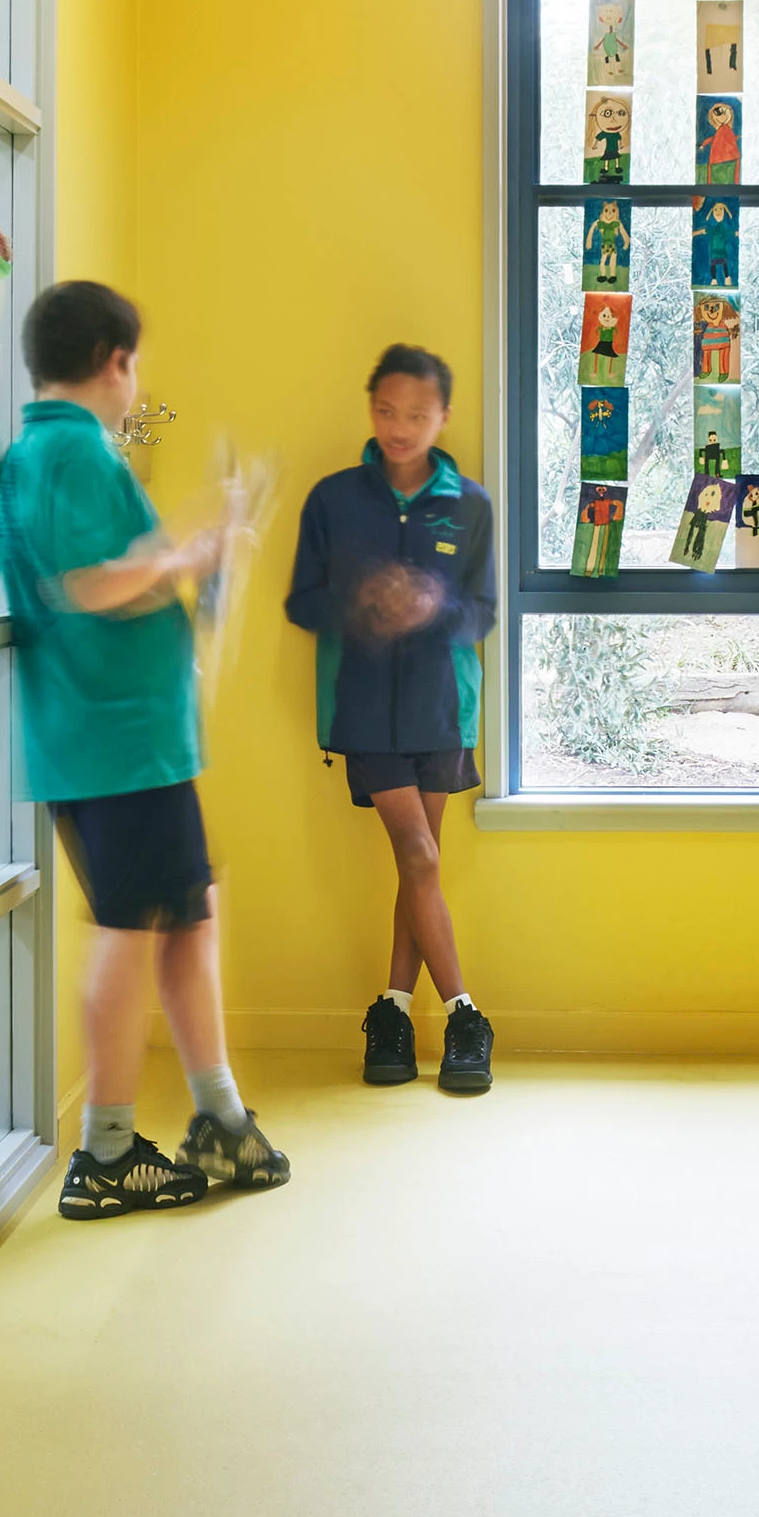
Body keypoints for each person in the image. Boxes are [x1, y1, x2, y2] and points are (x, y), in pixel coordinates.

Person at [0, 279, 291, 1216]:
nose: (137, 380)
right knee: (130, 933)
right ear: (117, 362)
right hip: (120, 743)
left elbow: (118, 576)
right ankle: (108, 1153)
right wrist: (193, 557)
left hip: (110, 740)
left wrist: (197, 556)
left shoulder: (38, 452)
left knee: (187, 914)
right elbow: (88, 582)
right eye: (137, 363)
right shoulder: (75, 452)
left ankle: (222, 1122)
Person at [286, 345, 498, 1095]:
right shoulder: (333, 499)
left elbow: (484, 612)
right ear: (370, 407)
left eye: (417, 414)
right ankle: (468, 1016)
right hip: (366, 707)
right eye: (386, 411)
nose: (400, 427)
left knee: (421, 867)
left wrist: (433, 607)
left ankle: (393, 1015)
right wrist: (363, 603)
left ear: (443, 416)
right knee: (419, 856)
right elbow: (300, 603)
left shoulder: (469, 505)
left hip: (444, 706)